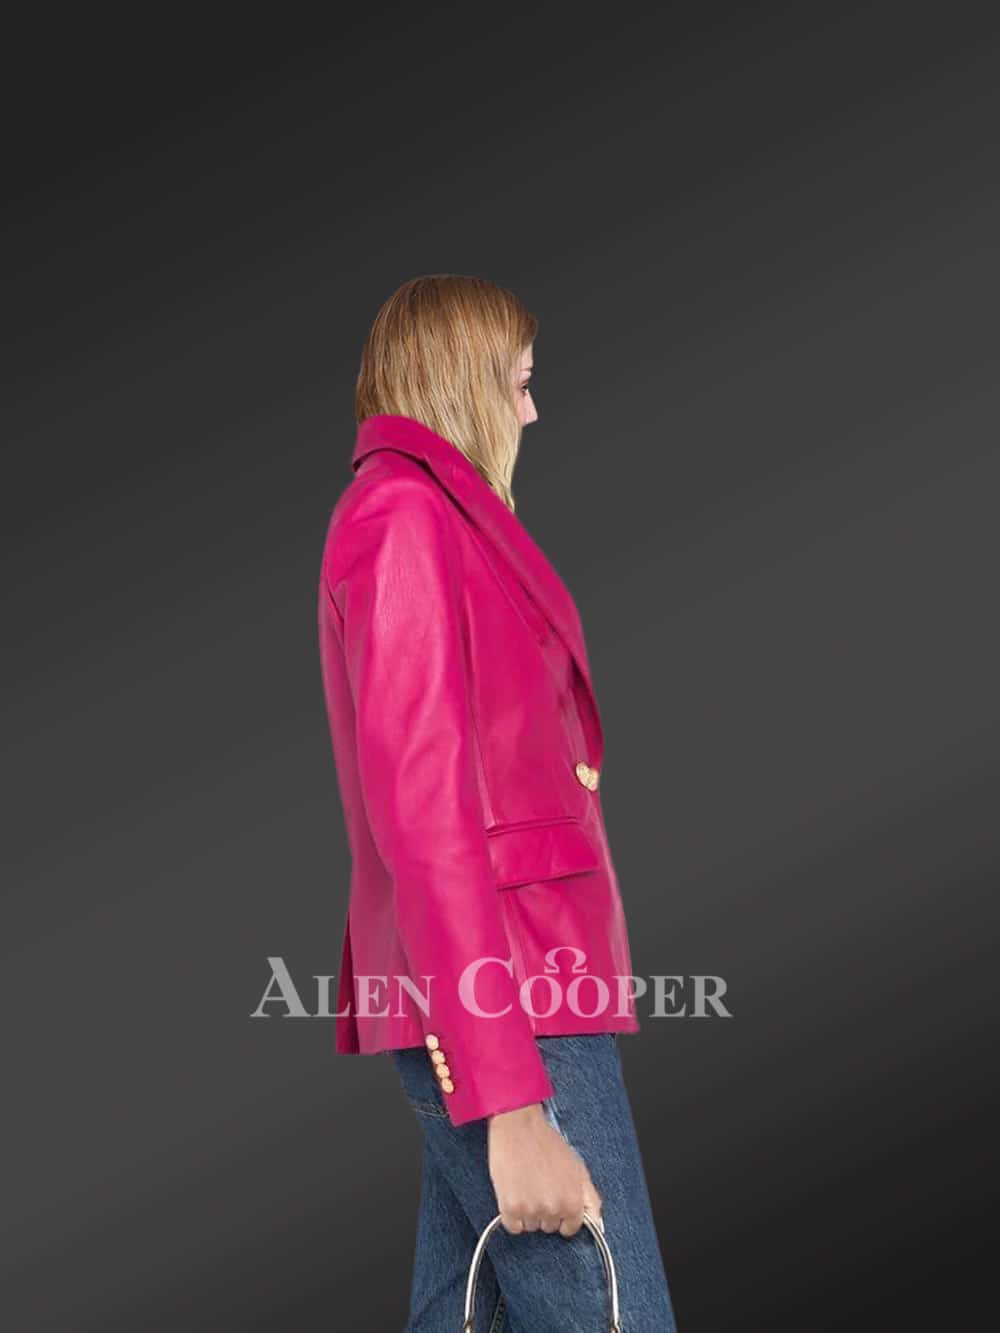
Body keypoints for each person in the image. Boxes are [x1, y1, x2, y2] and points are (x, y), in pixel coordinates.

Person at [317, 274, 679, 1331]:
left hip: (519, 988)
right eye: (518, 384)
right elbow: (422, 814)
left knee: (470, 1314)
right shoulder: (402, 516)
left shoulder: (430, 519)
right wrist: (508, 1096)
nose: (532, 410)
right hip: (511, 999)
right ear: (463, 383)